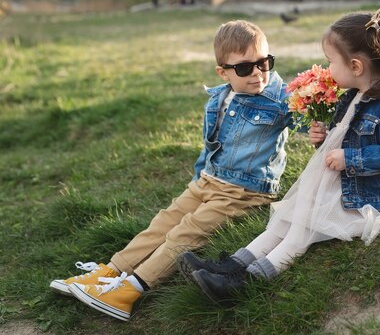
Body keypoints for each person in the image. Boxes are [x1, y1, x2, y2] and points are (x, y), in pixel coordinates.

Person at [178, 7, 380, 303]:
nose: (328, 69)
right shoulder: (353, 95)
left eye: (331, 62)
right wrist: (324, 139)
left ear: (355, 66)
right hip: (338, 181)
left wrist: (349, 158)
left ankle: (247, 282)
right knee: (283, 222)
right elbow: (345, 136)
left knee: (298, 233)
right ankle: (231, 266)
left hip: (365, 194)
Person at [49, 20, 295, 321]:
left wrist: (317, 122)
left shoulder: (281, 99)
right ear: (224, 72)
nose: (257, 73)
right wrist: (197, 182)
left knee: (186, 232)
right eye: (245, 68)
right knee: (164, 222)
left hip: (245, 192)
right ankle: (110, 273)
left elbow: (308, 121)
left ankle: (128, 291)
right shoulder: (218, 98)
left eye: (264, 63)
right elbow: (210, 146)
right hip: (208, 181)